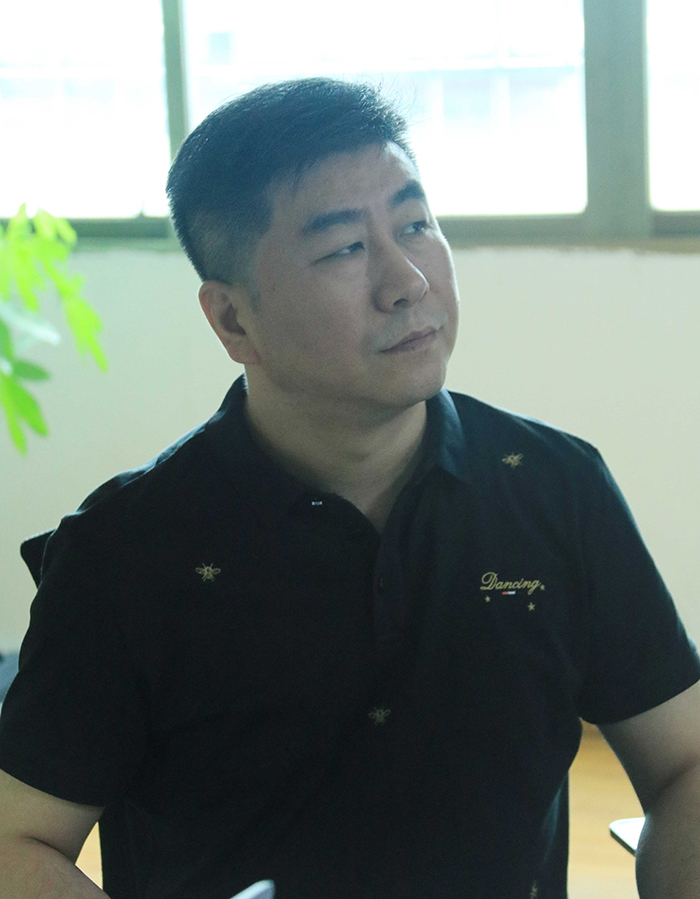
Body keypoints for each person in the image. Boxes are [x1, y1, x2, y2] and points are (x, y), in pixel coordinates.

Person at [0, 76, 699, 899]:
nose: (407, 281)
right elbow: (18, 839)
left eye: (415, 224)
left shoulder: (556, 488)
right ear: (233, 320)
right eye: (342, 249)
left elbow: (684, 761)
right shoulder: (125, 553)